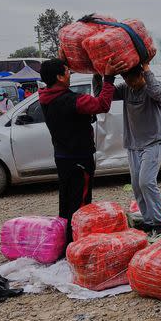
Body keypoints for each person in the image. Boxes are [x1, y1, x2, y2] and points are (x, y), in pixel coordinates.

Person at [39, 58, 120, 242]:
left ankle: (65, 240)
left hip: (62, 157)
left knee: (66, 200)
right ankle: (78, 244)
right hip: (79, 159)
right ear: (59, 77)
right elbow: (103, 105)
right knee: (81, 203)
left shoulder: (45, 98)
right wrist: (108, 79)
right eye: (67, 71)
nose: (70, 73)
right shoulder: (72, 100)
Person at [93, 53, 161, 233]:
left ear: (141, 75)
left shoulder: (153, 88)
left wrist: (147, 69)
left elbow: (157, 92)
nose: (131, 84)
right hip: (133, 144)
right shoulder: (126, 89)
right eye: (127, 80)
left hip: (153, 142)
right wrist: (98, 74)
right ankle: (149, 222)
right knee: (136, 186)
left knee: (146, 182)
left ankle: (160, 222)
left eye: (133, 80)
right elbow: (101, 95)